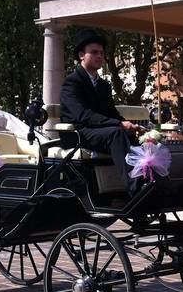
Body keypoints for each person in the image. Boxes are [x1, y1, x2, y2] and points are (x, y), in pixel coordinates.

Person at [59, 31, 144, 192]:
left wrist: (131, 126)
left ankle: (149, 179)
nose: (100, 56)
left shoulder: (104, 85)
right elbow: (83, 115)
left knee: (136, 136)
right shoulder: (72, 83)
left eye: (102, 53)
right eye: (94, 52)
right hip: (79, 133)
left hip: (98, 133)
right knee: (116, 134)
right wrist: (119, 124)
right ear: (81, 55)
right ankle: (136, 189)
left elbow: (111, 112)